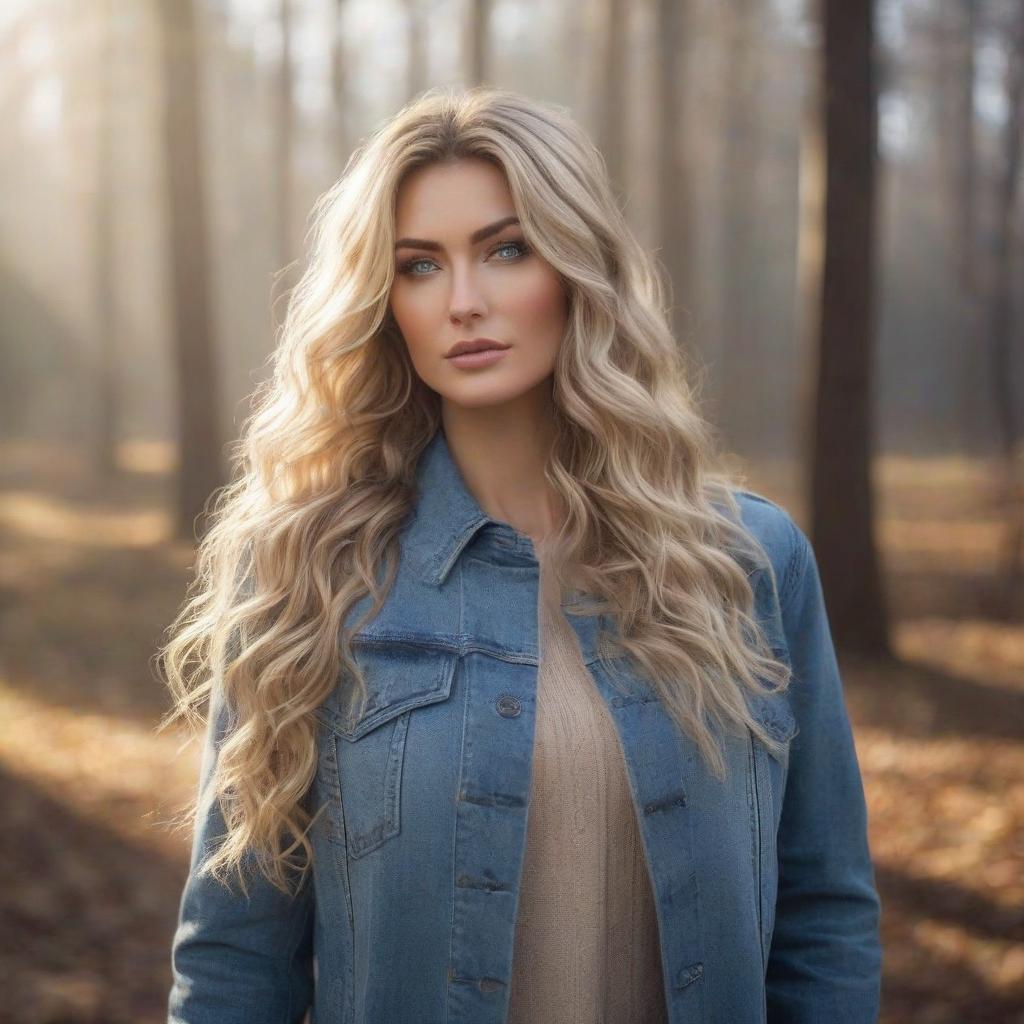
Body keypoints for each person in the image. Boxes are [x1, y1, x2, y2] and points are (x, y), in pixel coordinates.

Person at [161, 85, 882, 1024]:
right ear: (384, 301)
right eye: (419, 266)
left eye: (508, 250)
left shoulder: (747, 563)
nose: (464, 303)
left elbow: (824, 916)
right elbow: (233, 961)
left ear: (578, 269)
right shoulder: (311, 571)